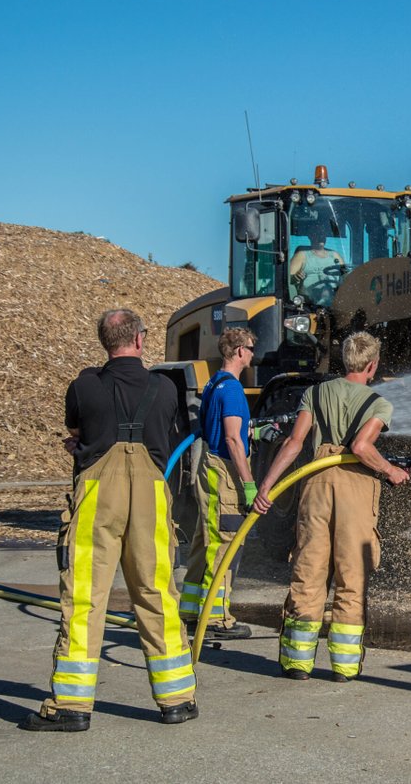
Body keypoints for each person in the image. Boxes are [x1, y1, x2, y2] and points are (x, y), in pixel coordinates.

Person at [21, 309, 196, 731]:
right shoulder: (165, 388)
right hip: (152, 496)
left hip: (99, 494)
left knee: (85, 597)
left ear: (106, 342)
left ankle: (72, 705)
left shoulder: (84, 386)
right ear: (138, 340)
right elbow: (164, 432)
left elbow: (80, 426)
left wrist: (84, 442)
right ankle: (178, 699)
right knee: (156, 593)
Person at [254, 331, 408, 681]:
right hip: (355, 486)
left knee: (309, 571)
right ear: (372, 364)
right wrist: (391, 470)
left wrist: (268, 486)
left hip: (316, 484)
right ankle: (343, 667)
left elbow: (294, 444)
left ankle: (297, 663)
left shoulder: (315, 392)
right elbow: (362, 446)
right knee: (351, 577)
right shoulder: (378, 403)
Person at [179, 328, 258, 639]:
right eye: (251, 348)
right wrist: (250, 485)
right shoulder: (233, 390)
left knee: (204, 541)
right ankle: (217, 620)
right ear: (239, 351)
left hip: (209, 467)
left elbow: (227, 430)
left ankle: (189, 610)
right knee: (224, 544)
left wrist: (251, 433)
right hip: (224, 472)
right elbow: (231, 440)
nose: (254, 354)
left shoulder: (214, 384)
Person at [288, 231, 346, 307]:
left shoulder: (334, 255)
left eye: (323, 235)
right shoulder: (302, 255)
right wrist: (296, 277)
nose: (321, 238)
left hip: (332, 296)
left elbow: (346, 276)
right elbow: (287, 279)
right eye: (318, 234)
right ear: (310, 236)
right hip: (308, 298)